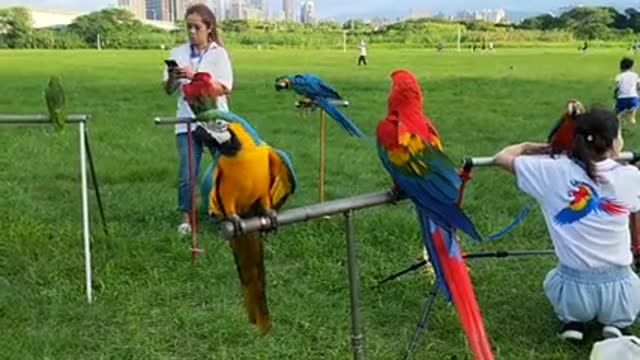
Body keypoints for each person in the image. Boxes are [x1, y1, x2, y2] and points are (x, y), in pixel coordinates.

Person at [493, 107, 640, 343]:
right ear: (614, 144)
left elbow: (501, 157)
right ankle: (616, 325)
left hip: (574, 290)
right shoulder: (631, 175)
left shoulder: (552, 171)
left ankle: (573, 322)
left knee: (556, 279)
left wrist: (527, 146)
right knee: (628, 287)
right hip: (621, 292)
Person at [162, 4, 233, 235]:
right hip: (186, 121)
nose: (192, 32)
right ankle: (186, 218)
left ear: (209, 28)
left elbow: (224, 88)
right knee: (187, 173)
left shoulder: (218, 54)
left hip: (215, 120)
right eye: (188, 27)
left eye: (197, 27)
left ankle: (225, 212)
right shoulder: (177, 53)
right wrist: (173, 78)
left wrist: (197, 77)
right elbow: (168, 89)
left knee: (224, 168)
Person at [615, 57, 639, 127]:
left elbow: (617, 87)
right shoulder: (635, 75)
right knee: (636, 104)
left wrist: (615, 95)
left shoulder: (619, 76)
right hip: (633, 97)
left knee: (618, 111)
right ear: (631, 67)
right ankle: (632, 117)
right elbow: (638, 87)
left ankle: (619, 118)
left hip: (622, 98)